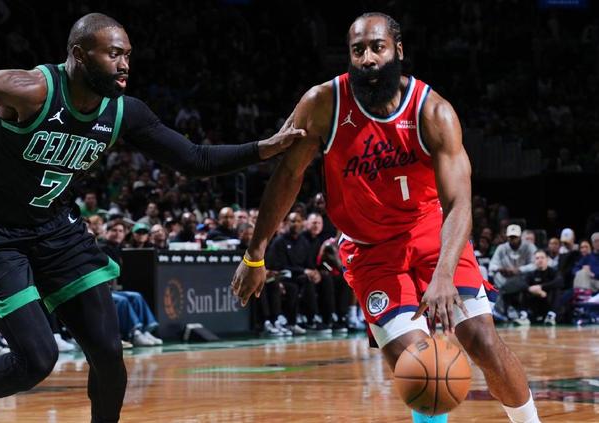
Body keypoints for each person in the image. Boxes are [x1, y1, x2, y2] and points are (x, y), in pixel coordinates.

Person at [0, 13, 304, 422]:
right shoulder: (32, 90)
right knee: (37, 359)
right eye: (114, 54)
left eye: (128, 55)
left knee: (109, 353)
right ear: (79, 55)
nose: (124, 64)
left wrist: (263, 148)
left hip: (55, 228)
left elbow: (195, 159)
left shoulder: (123, 112)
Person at [231, 13, 539, 423]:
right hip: (370, 249)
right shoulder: (323, 104)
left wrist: (444, 274)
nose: (368, 58)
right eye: (358, 50)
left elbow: (459, 204)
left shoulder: (434, 112)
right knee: (423, 368)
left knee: (481, 339)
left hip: (432, 235)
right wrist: (255, 254)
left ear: (398, 51)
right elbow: (287, 177)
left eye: (377, 47)